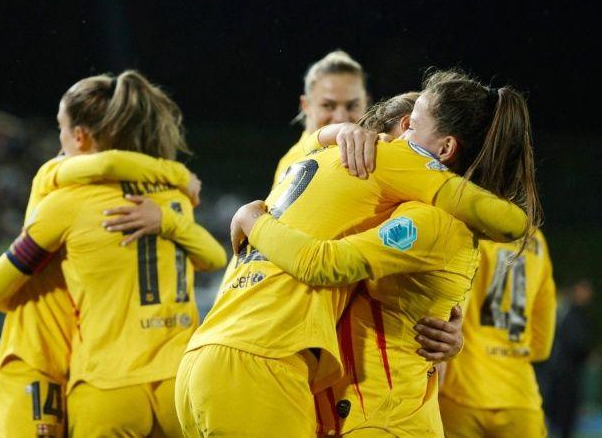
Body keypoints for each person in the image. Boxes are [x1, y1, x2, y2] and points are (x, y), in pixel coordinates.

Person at [177, 69, 540, 437]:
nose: (393, 141)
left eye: (411, 127)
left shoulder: (424, 214)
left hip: (225, 362)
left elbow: (331, 264)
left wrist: (252, 218)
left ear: (444, 150)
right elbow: (326, 264)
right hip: (271, 368)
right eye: (395, 130)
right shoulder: (391, 181)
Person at [0, 70, 227, 437]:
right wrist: (174, 182)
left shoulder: (65, 199)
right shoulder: (174, 198)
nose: (59, 139)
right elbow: (215, 259)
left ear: (79, 136)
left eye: (61, 128)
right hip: (179, 383)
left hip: (107, 383)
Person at [439, 230, 557, 437]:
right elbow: (543, 342)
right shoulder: (536, 239)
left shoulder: (471, 226)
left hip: (461, 390)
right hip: (520, 396)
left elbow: (449, 304)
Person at [274, 50, 369, 185]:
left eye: (352, 106)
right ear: (306, 105)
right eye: (328, 105)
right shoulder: (291, 166)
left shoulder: (381, 148)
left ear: (366, 103)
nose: (341, 118)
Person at [544, 280, 595, 438]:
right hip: (564, 370)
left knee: (563, 409)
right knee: (562, 408)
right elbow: (576, 342)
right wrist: (586, 354)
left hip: (566, 369)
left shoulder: (575, 313)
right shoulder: (570, 312)